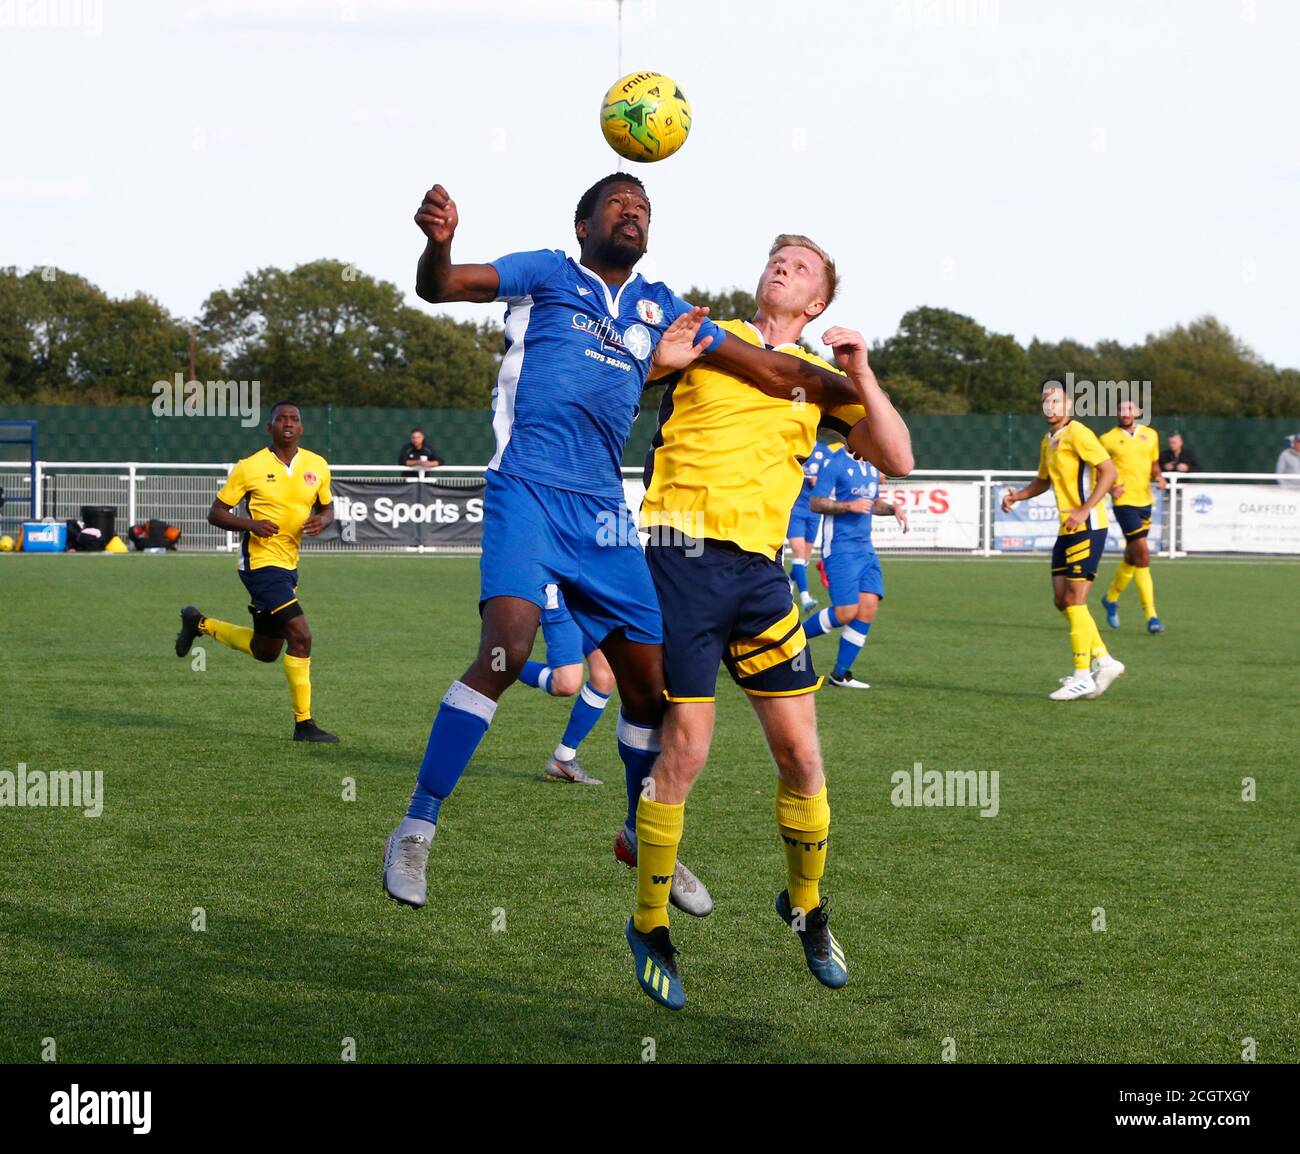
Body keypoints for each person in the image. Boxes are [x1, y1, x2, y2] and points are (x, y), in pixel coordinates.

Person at [382, 175, 859, 918]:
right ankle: (416, 825)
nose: (632, 212)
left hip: (605, 514)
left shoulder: (660, 306)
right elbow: (442, 286)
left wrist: (841, 384)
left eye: (643, 208)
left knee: (649, 690)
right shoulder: (546, 274)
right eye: (618, 204)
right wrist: (437, 243)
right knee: (505, 651)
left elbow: (765, 367)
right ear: (583, 224)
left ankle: (641, 833)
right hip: (529, 491)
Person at [627, 235, 912, 1009]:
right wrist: (664, 357)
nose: (784, 265)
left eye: (804, 265)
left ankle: (807, 906)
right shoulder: (704, 334)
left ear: (818, 303)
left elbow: (899, 457)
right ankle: (650, 924)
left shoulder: (819, 381)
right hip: (678, 551)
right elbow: (631, 378)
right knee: (685, 751)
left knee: (801, 758)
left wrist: (859, 369)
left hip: (760, 575)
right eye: (777, 257)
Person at [174, 401, 338, 742]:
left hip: (289, 565)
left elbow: (327, 506)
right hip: (260, 565)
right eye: (281, 419)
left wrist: (323, 520)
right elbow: (216, 513)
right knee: (301, 635)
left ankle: (198, 623)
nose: (288, 424)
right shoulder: (249, 467)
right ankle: (304, 724)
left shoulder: (317, 465)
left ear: (301, 427)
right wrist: (251, 524)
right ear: (270, 427)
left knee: (267, 650)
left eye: (295, 418)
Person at [1000, 379, 1125, 702]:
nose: (1050, 407)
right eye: (1045, 401)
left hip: (1088, 525)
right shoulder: (1048, 439)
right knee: (1062, 600)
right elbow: (1043, 480)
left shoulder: (1079, 433)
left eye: (1056, 402)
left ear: (1068, 406)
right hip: (1065, 528)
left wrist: (1085, 509)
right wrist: (1018, 496)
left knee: (1075, 599)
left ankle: (1083, 675)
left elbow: (1108, 472)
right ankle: (1105, 660)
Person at [801, 442, 908, 689]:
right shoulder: (835, 463)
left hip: (865, 549)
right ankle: (785, 641)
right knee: (845, 612)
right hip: (840, 549)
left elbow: (873, 503)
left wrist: (893, 509)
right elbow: (816, 503)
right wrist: (848, 506)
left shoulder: (870, 465)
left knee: (868, 607)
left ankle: (840, 674)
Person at [516, 591, 616, 785]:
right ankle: (499, 664)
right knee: (565, 683)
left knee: (605, 675)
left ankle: (563, 757)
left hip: (585, 592)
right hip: (559, 588)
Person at [1099, 401, 1166, 633]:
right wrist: (1110, 488)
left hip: (1146, 502)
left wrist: (1159, 477)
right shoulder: (1107, 439)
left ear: (1137, 413)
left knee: (1132, 555)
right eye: (1121, 409)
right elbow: (1099, 470)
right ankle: (1151, 615)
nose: (1125, 413)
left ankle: (1110, 598)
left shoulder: (1151, 435)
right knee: (1143, 556)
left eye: (1130, 409)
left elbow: (1154, 463)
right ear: (1116, 413)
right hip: (1124, 503)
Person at [786, 439, 831, 610]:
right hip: (795, 509)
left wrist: (820, 480)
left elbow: (831, 477)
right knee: (798, 553)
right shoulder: (795, 447)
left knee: (804, 558)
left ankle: (788, 585)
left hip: (814, 512)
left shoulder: (825, 451)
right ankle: (805, 598)